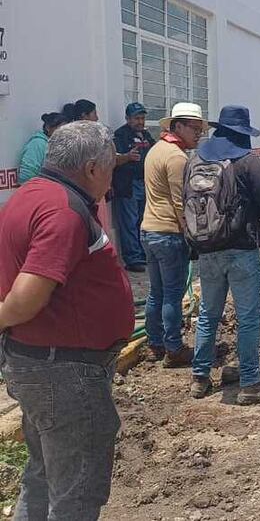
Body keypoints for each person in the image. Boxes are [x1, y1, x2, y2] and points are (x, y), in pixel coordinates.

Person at [0, 121, 134, 519]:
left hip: (43, 365)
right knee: (75, 494)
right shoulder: (62, 212)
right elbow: (25, 299)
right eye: (110, 169)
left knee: (43, 475)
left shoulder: (29, 197)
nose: (110, 181)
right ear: (92, 168)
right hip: (65, 373)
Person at [189, 105, 260, 404]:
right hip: (242, 249)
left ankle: (200, 379)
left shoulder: (197, 157)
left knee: (207, 315)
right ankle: (249, 384)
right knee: (248, 318)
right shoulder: (247, 160)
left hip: (207, 248)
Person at [141, 102, 205, 366]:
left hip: (149, 230)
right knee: (172, 294)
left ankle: (154, 343)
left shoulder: (156, 150)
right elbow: (182, 204)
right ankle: (174, 348)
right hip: (169, 233)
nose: (198, 134)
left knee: (156, 292)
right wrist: (191, 236)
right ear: (177, 126)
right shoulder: (177, 158)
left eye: (200, 129)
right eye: (194, 128)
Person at [112, 103, 155, 272]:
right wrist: (127, 157)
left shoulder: (146, 135)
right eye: (137, 118)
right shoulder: (120, 135)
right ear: (128, 118)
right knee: (129, 222)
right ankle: (133, 258)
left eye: (142, 118)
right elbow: (113, 159)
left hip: (144, 183)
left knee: (143, 221)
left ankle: (143, 253)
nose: (140, 121)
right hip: (128, 185)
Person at [17, 112, 66, 184]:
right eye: (61, 129)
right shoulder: (38, 144)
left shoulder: (58, 145)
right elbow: (26, 175)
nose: (64, 133)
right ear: (48, 128)